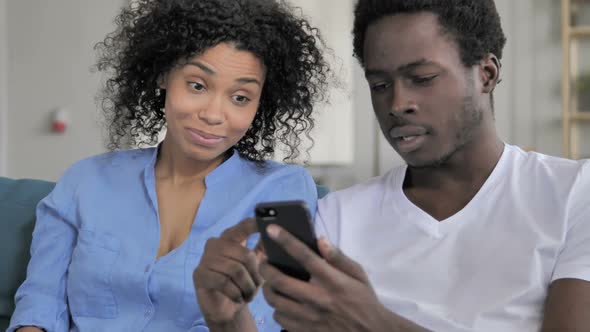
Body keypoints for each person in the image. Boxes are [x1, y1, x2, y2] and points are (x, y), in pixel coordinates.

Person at [197, 0, 590, 331]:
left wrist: (376, 323)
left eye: (422, 78)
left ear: (486, 74)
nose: (397, 104)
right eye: (380, 85)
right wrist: (230, 320)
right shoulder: (338, 217)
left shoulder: (574, 193)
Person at [8, 0, 331, 331]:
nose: (213, 114)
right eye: (197, 85)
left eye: (240, 98)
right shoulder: (85, 180)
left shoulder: (286, 190)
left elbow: (284, 316)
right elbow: (40, 303)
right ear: (164, 75)